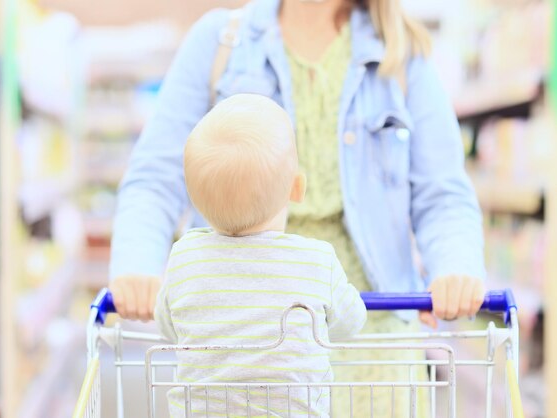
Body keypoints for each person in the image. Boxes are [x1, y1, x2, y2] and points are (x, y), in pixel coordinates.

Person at [110, 0, 486, 415]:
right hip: (248, 350)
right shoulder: (220, 42)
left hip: (376, 351)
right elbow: (156, 175)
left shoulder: (400, 50)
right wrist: (138, 265)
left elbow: (442, 192)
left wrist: (455, 267)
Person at [154, 93, 367, 417]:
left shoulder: (185, 258)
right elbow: (350, 323)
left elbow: (169, 326)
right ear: (297, 188)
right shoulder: (316, 260)